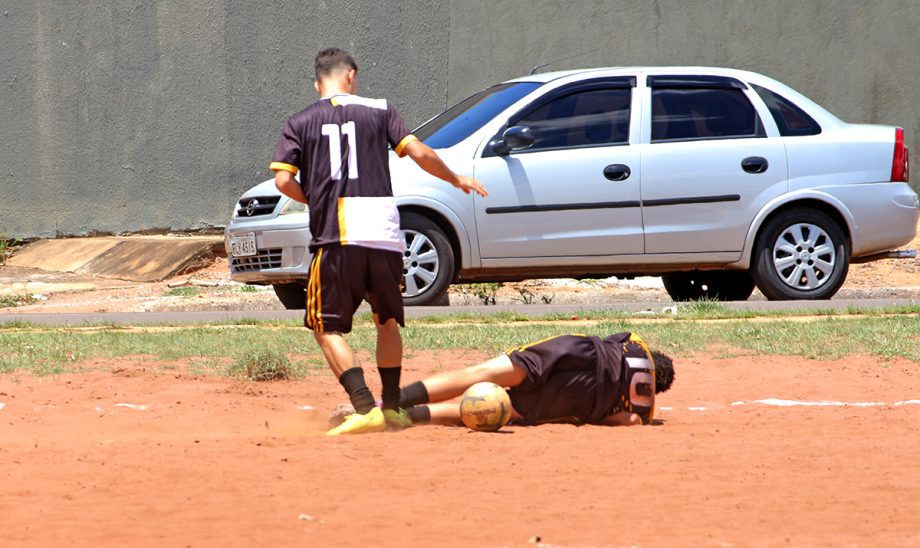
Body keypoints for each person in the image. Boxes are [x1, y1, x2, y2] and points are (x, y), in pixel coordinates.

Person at [270, 48, 487, 436]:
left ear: (318, 82)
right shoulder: (381, 110)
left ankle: (364, 407)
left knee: (326, 326)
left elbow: (284, 182)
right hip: (385, 234)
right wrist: (457, 179)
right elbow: (418, 152)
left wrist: (317, 198)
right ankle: (391, 408)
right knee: (386, 321)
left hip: (337, 235)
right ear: (351, 76)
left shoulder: (300, 121)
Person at [395, 332, 675, 427]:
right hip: (583, 395)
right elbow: (629, 421)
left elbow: (612, 340)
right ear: (657, 388)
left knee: (478, 374)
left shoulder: (635, 343)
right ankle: (398, 419)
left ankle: (388, 402)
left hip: (577, 353)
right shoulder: (643, 408)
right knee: (491, 410)